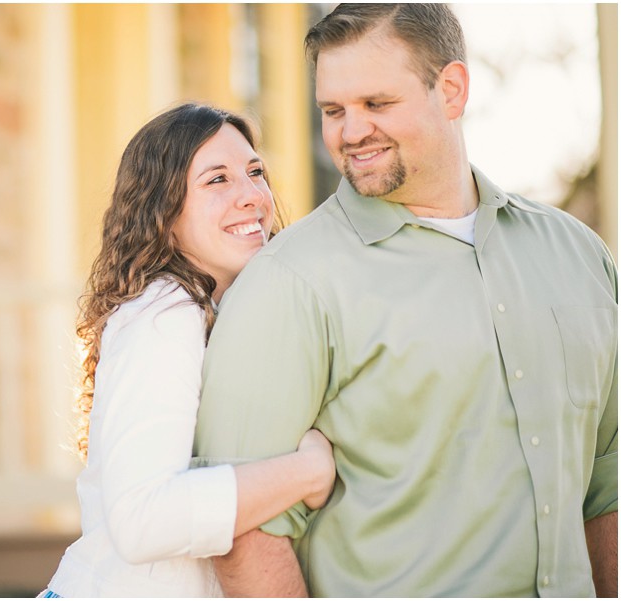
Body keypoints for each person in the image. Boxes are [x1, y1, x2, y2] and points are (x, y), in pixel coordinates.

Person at [193, 3, 618, 597]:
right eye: (333, 110)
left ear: (451, 89)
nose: (350, 131)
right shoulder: (288, 282)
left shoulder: (577, 255)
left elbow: (607, 483)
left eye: (377, 104)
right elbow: (242, 529)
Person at [42, 103, 337, 597]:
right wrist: (306, 473)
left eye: (255, 171)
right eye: (217, 180)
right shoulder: (163, 311)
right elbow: (143, 520)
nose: (252, 196)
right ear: (165, 213)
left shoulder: (224, 311)